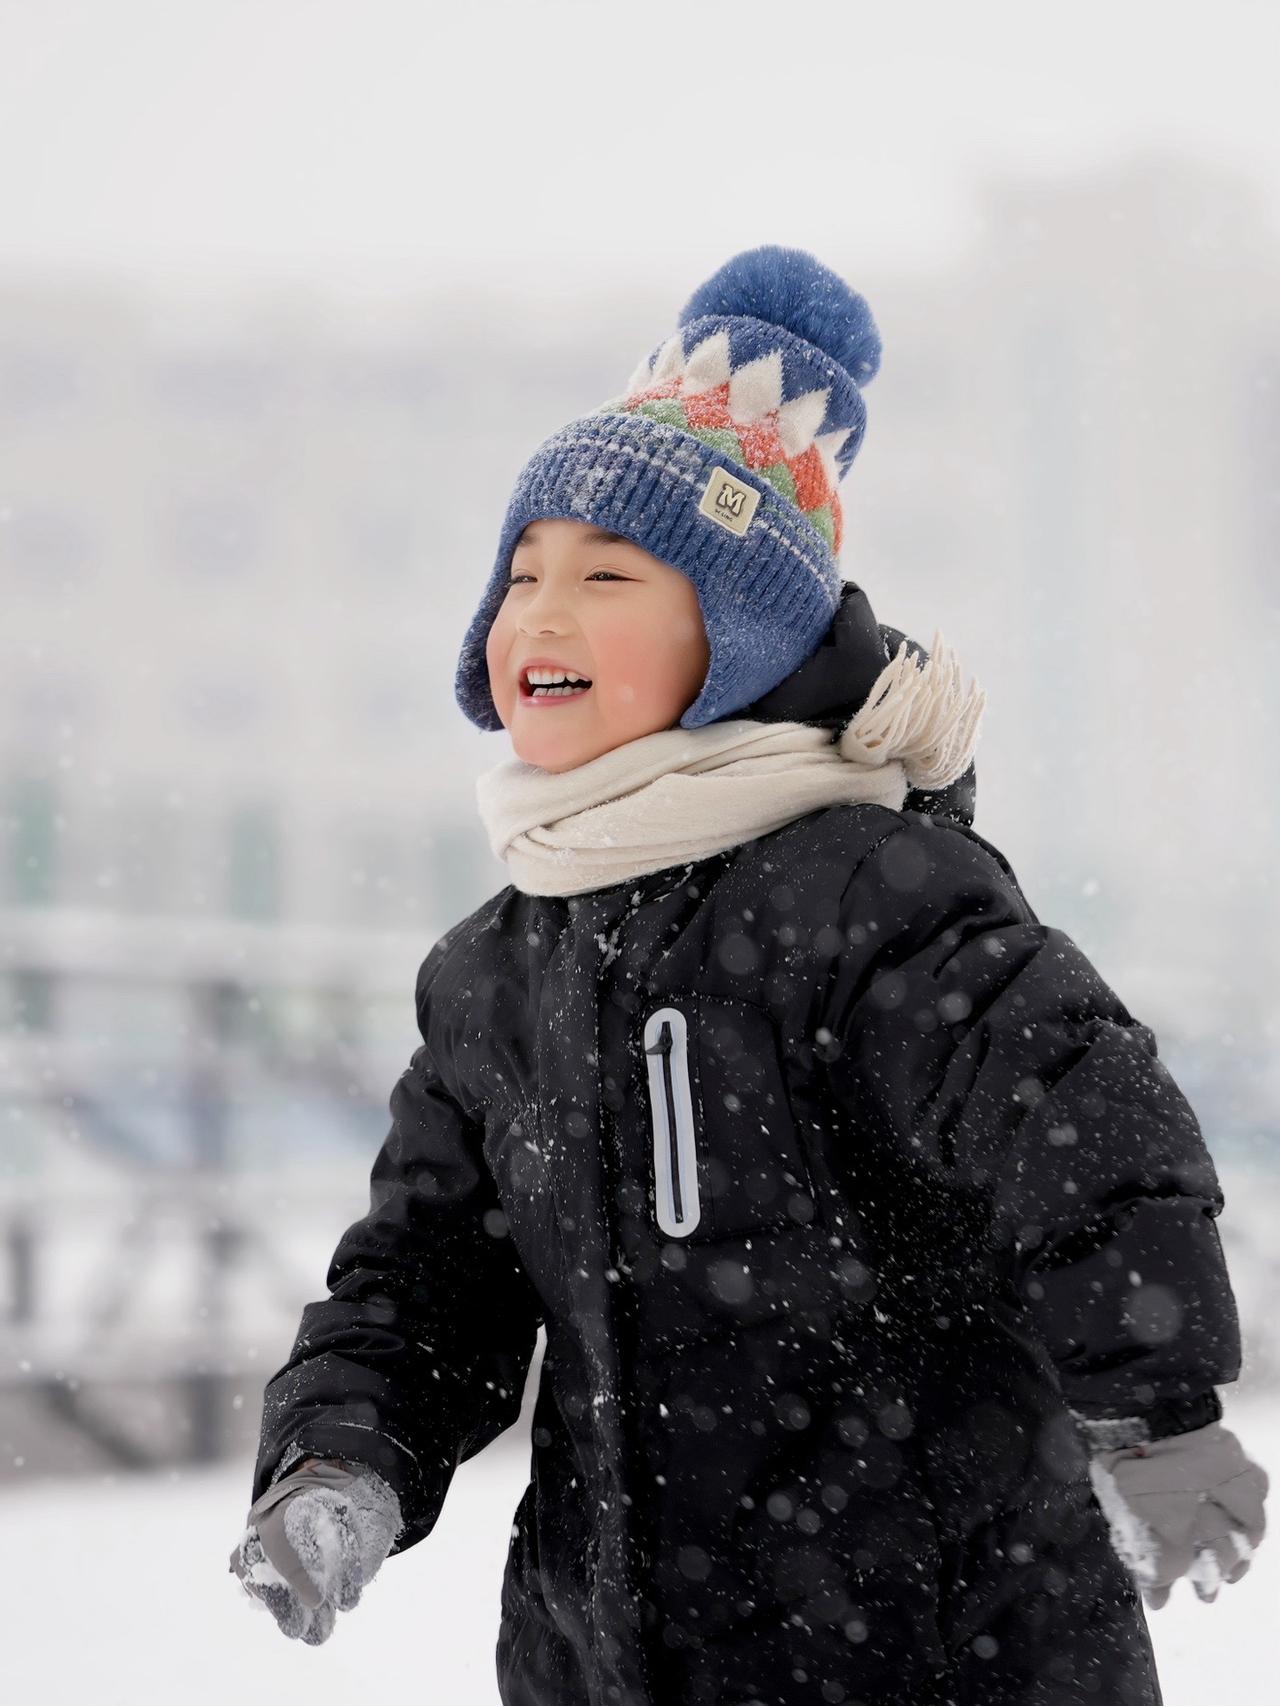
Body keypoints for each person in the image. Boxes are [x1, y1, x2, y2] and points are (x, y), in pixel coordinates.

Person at [230, 245, 1268, 1704]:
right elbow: (424, 1274)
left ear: (739, 638)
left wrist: (1153, 1407)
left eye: (606, 576)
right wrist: (343, 1449)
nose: (542, 613)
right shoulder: (491, 973)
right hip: (615, 1651)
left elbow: (1079, 1117)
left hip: (938, 1635)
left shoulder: (865, 894)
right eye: (522, 574)